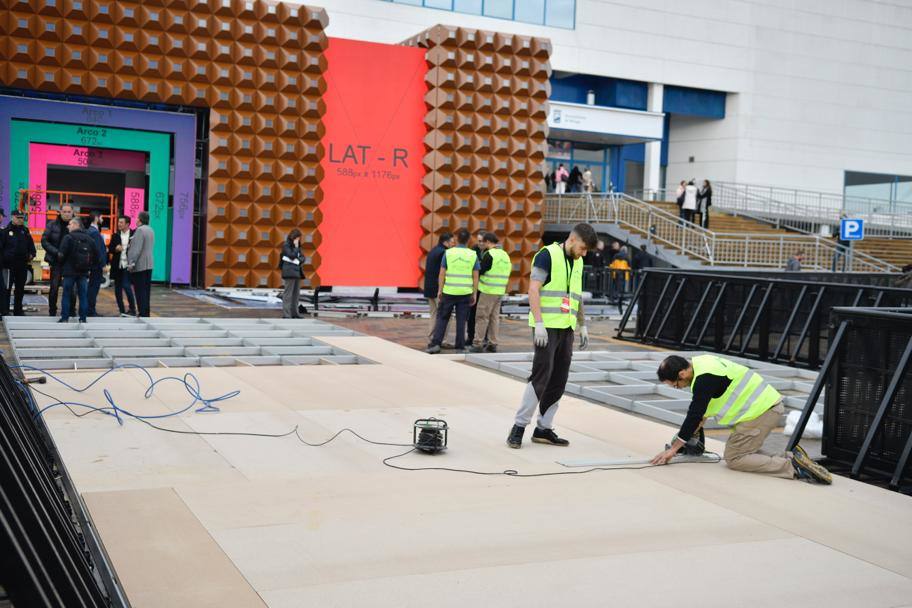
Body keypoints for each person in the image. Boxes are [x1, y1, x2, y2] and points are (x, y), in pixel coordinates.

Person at [650, 355, 832, 484]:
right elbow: (702, 413)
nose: (678, 388)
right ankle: (794, 457)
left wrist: (673, 449)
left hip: (762, 413)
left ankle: (792, 467)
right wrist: (686, 438)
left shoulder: (703, 380)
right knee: (744, 450)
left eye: (675, 385)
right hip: (763, 408)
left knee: (735, 457)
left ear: (682, 374)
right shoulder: (703, 362)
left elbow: (694, 414)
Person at [507, 223, 598, 448]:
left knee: (559, 379)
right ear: (573, 239)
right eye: (583, 248)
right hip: (546, 328)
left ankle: (543, 429)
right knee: (540, 376)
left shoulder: (578, 261)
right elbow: (533, 289)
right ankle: (518, 427)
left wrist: (582, 325)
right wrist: (538, 323)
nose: (584, 254)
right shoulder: (547, 255)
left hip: (566, 328)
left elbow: (575, 296)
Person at [426, 228, 479, 354]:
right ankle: (460, 347)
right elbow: (475, 276)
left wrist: (440, 290)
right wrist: (474, 293)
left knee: (442, 319)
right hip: (465, 293)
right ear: (469, 240)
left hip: (448, 292)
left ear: (456, 239)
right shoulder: (472, 255)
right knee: (461, 321)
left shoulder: (449, 253)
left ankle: (436, 344)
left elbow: (442, 273)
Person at [469, 232, 511, 353]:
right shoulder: (505, 255)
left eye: (484, 242)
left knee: (482, 317)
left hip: (488, 291)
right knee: (494, 318)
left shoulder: (489, 254)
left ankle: (477, 343)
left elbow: (480, 270)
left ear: (488, 242)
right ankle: (493, 343)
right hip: (499, 291)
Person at [57, 216, 97, 323]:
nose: (68, 226)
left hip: (69, 272)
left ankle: (65, 318)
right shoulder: (90, 239)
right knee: (83, 295)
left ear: (76, 225)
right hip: (83, 272)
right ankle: (83, 318)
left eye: (70, 224)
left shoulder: (68, 237)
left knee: (66, 294)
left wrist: (62, 264)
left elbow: (61, 254)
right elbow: (96, 255)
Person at [41, 203, 76, 317]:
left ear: (72, 212)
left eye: (68, 212)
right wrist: (56, 252)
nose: (66, 214)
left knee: (72, 289)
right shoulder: (52, 225)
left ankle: (71, 312)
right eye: (64, 212)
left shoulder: (77, 225)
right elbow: (44, 241)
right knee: (54, 288)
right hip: (56, 261)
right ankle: (52, 312)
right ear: (60, 212)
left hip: (71, 263)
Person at [0, 209, 36, 316]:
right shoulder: (5, 231)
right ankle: (4, 310)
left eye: (22, 218)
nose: (21, 220)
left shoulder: (25, 231)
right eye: (18, 217)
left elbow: (31, 246)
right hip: (9, 265)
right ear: (12, 217)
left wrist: (31, 254)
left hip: (22, 264)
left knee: (20, 289)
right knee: (7, 288)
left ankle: (18, 310)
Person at [423, 232, 454, 345]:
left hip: (429, 288)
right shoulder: (444, 253)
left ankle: (431, 337)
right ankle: (441, 340)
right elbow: (443, 272)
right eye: (452, 241)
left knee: (434, 314)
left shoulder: (433, 251)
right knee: (445, 315)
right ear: (445, 242)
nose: (453, 244)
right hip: (438, 289)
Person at [108, 215, 137, 317]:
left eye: (121, 222)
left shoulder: (134, 234)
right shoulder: (115, 235)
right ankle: (122, 311)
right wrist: (116, 248)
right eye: (119, 222)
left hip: (128, 265)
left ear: (127, 224)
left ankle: (132, 309)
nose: (119, 224)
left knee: (126, 286)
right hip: (118, 265)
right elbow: (110, 248)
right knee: (117, 289)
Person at [127, 211, 154, 317]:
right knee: (146, 290)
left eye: (137, 218)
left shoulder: (140, 230)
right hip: (149, 264)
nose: (136, 219)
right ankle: (146, 312)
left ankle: (142, 312)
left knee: (139, 290)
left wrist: (131, 263)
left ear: (140, 219)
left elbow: (136, 250)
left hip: (140, 264)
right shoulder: (151, 230)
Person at [466, 229, 486, 347]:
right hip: (475, 288)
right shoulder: (473, 250)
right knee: (472, 315)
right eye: (479, 241)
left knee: (484, 316)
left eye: (483, 241)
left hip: (486, 289)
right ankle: (470, 337)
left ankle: (483, 338)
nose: (481, 243)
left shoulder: (491, 252)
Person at [85, 211, 107, 317]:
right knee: (94, 288)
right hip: (96, 265)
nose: (102, 219)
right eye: (101, 217)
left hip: (92, 264)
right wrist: (103, 264)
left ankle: (89, 309)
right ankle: (91, 310)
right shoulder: (94, 232)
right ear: (96, 218)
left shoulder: (90, 231)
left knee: (91, 287)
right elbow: (98, 250)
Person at [280, 229, 304, 319]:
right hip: (289, 272)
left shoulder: (298, 246)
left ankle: (295, 313)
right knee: (288, 294)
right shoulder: (286, 245)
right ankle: (287, 314)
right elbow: (292, 255)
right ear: (293, 237)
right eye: (298, 238)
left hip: (297, 272)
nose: (299, 239)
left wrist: (299, 259)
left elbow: (302, 257)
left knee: (296, 294)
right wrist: (296, 247)